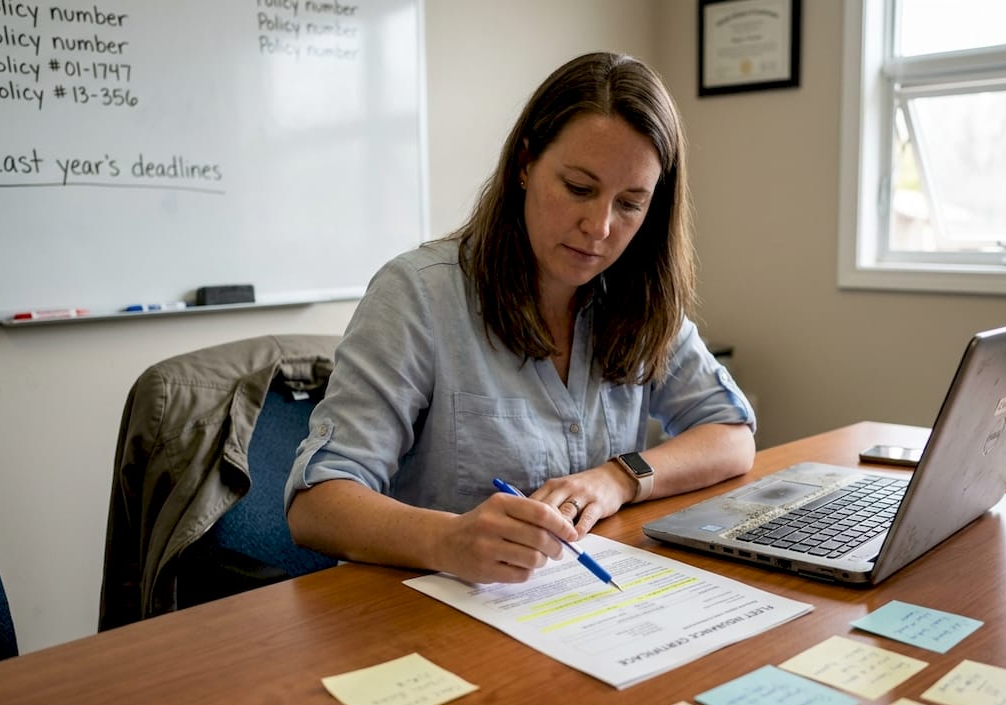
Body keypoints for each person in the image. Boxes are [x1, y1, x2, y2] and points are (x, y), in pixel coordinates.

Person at [285, 51, 756, 585]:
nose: (599, 227)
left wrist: (619, 479)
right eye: (579, 188)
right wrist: (446, 539)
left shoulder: (635, 296)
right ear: (525, 164)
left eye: (630, 203)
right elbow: (316, 505)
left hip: (578, 608)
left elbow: (732, 435)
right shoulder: (418, 294)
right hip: (433, 612)